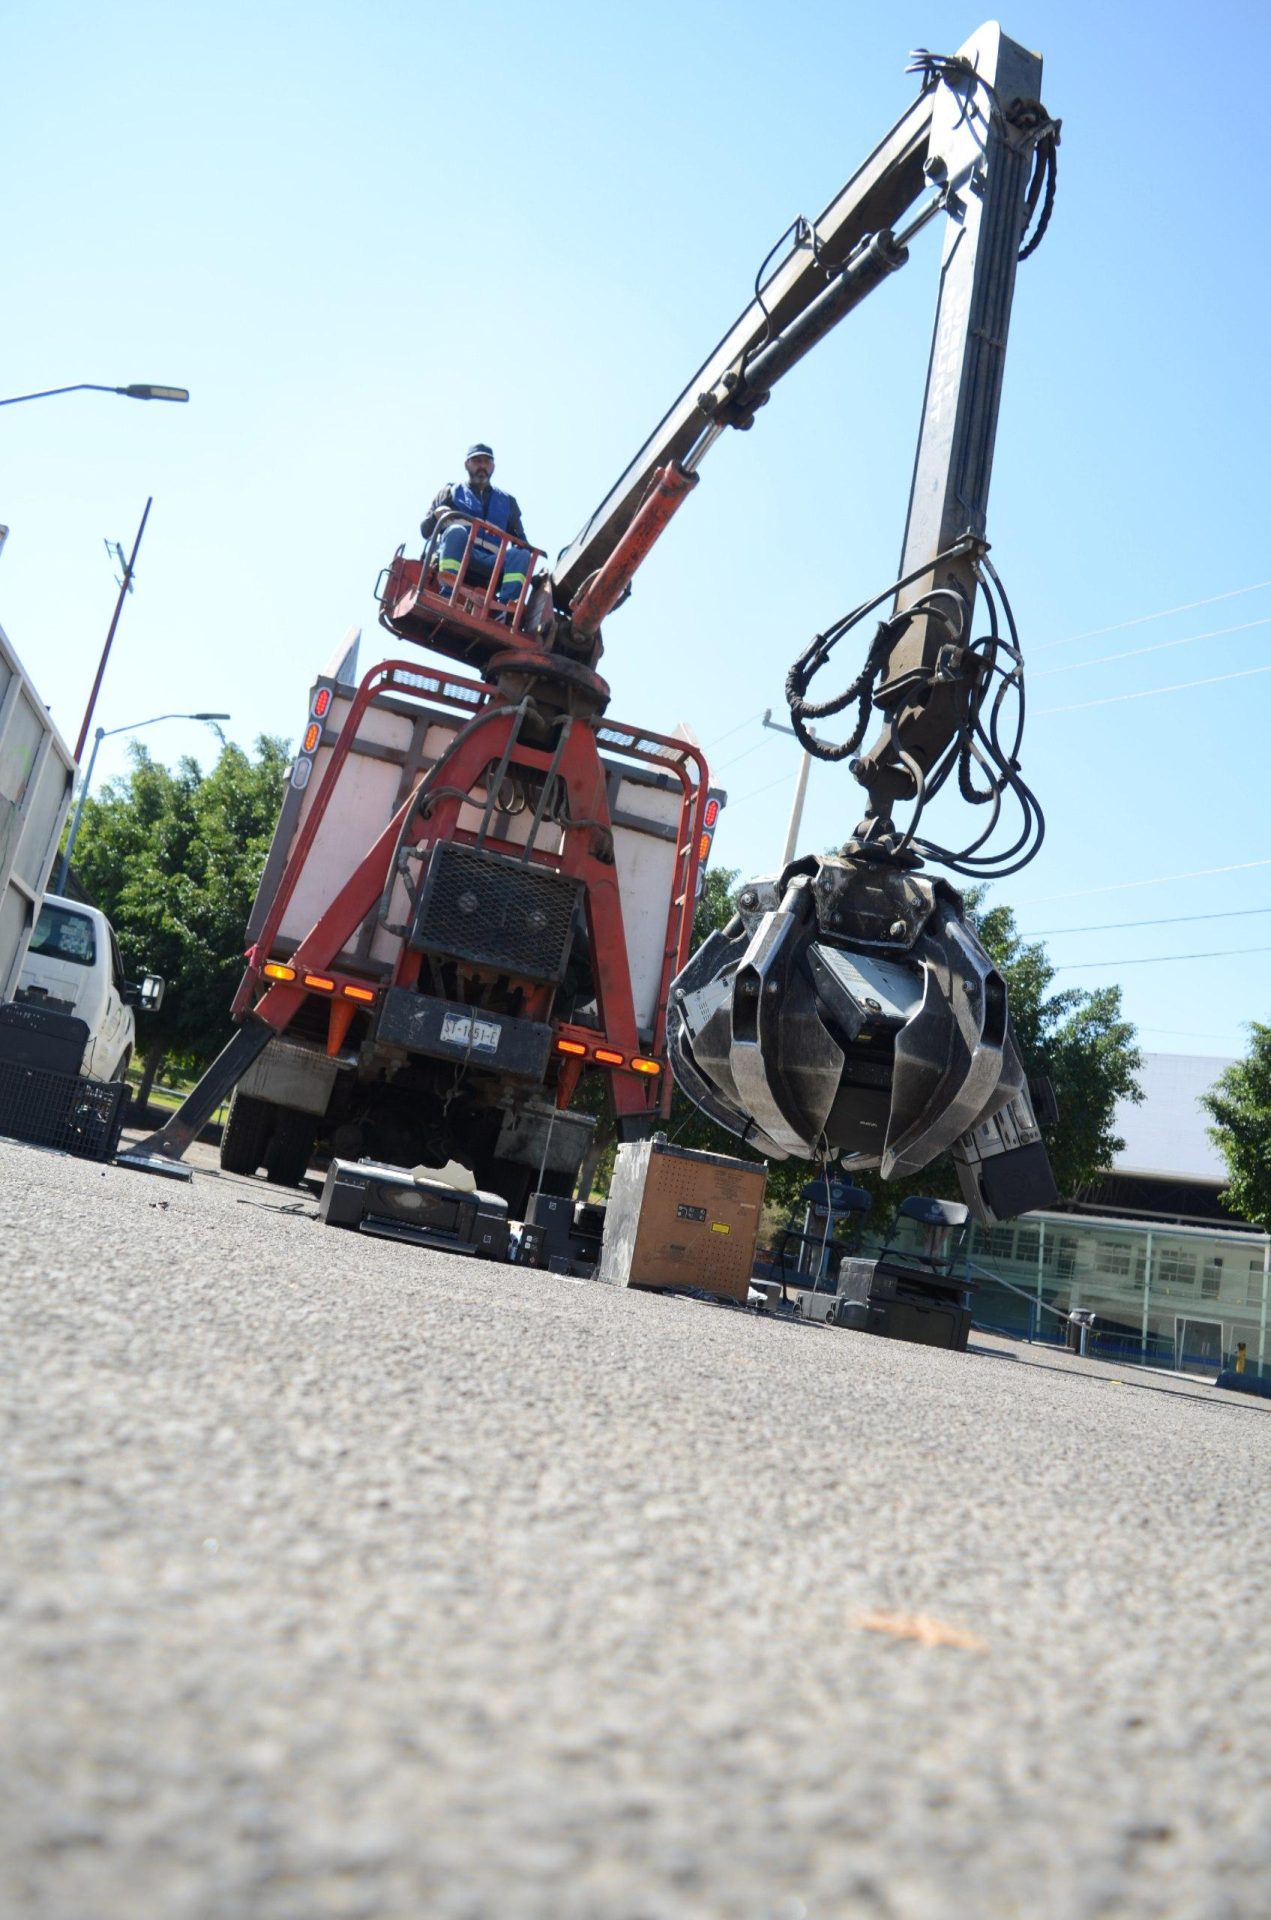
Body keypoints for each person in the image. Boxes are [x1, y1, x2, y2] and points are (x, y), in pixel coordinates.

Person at [420, 443, 531, 607]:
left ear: (492, 466)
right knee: (456, 531)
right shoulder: (451, 492)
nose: (482, 466)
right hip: (461, 557)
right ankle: (448, 592)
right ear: (467, 464)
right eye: (477, 461)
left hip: (491, 566)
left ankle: (505, 608)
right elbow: (425, 531)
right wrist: (436, 516)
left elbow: (522, 541)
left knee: (522, 554)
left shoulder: (507, 502)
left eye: (486, 462)